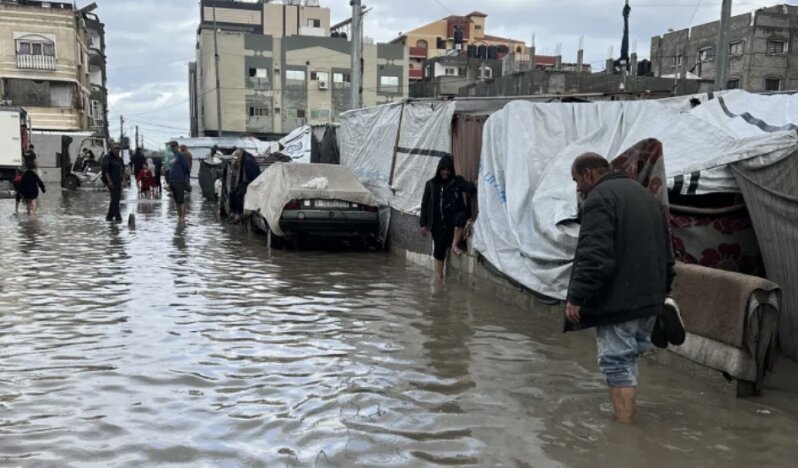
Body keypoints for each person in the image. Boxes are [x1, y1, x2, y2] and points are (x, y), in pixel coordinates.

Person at [565, 153, 679, 424]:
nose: (577, 188)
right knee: (629, 362)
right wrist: (664, 291)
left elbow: (593, 254)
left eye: (576, 181)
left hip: (619, 302)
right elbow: (667, 251)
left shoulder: (599, 199)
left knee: (616, 364)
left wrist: (577, 297)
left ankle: (625, 436)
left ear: (587, 174)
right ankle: (627, 422)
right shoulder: (646, 197)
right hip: (649, 299)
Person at [419, 155, 475, 282]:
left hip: (453, 223)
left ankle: (455, 244)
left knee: (460, 217)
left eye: (448, 169)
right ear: (439, 170)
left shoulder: (457, 181)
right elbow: (424, 204)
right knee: (439, 251)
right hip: (437, 224)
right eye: (443, 169)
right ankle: (438, 280)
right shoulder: (431, 185)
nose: (446, 172)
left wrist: (474, 185)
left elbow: (469, 187)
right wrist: (423, 224)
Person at [228, 149, 261, 223]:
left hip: (251, 183)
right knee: (232, 193)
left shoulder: (248, 161)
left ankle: (238, 215)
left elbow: (253, 175)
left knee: (239, 195)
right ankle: (233, 213)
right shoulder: (243, 160)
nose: (237, 157)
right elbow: (236, 174)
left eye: (238, 155)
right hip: (244, 182)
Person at [167, 141, 191, 223]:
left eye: (174, 146)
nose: (173, 148)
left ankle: (182, 218)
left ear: (177, 146)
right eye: (171, 147)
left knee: (181, 201)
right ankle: (179, 217)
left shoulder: (181, 155)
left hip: (179, 181)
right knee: (176, 201)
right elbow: (171, 169)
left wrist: (183, 177)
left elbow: (186, 168)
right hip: (173, 181)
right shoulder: (174, 156)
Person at [101, 145, 125, 223]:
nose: (117, 150)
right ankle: (118, 218)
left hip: (118, 181)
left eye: (118, 149)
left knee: (116, 199)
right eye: (115, 148)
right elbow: (106, 170)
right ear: (111, 149)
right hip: (111, 181)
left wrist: (123, 181)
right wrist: (109, 181)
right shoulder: (107, 157)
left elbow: (122, 170)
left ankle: (109, 217)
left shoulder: (120, 159)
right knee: (115, 199)